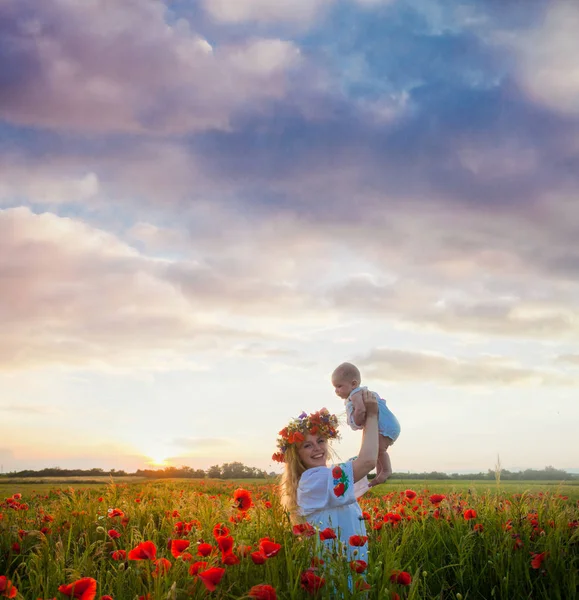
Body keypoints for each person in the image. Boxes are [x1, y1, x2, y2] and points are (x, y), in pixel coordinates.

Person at [273, 390, 378, 571]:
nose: (317, 448)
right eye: (307, 445)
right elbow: (367, 461)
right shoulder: (313, 481)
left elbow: (363, 463)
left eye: (320, 441)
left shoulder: (326, 476)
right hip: (335, 568)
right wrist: (372, 416)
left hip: (347, 561)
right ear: (297, 455)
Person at [331, 362, 400, 487]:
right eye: (335, 387)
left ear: (353, 384)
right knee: (376, 451)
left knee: (379, 449)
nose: (336, 391)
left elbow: (361, 410)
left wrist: (357, 421)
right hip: (389, 424)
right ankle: (380, 474)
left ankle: (385, 470)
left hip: (385, 426)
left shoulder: (355, 394)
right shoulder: (359, 393)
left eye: (339, 386)